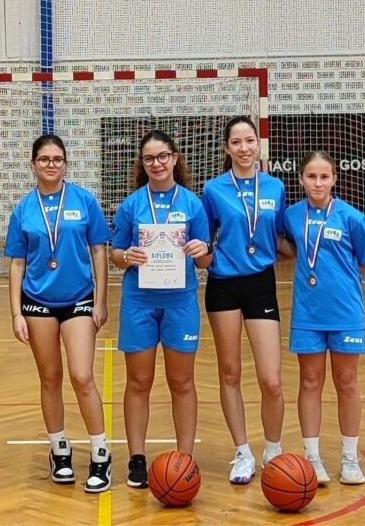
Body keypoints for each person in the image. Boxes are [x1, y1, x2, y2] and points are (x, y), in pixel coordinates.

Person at [5, 135, 112, 494]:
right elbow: (17, 263)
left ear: (66, 164)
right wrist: (16, 312)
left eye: (57, 159)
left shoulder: (84, 200)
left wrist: (100, 300)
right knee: (49, 377)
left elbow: (99, 251)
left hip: (79, 299)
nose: (51, 165)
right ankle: (60, 450)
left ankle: (100, 453)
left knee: (82, 376)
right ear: (33, 164)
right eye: (44, 159)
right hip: (37, 302)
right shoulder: (23, 208)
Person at [110, 130, 211, 488]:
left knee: (181, 381)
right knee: (139, 381)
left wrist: (202, 250)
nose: (157, 163)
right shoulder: (132, 205)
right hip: (139, 300)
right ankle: (137, 458)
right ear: (142, 163)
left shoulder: (193, 204)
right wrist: (127, 256)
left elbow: (206, 259)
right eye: (149, 158)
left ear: (174, 158)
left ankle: (185, 458)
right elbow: (115, 253)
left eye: (163, 156)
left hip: (180, 301)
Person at [200, 116, 289, 484]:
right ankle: (242, 452)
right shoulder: (213, 189)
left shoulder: (276, 187)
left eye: (249, 140)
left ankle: (274, 449)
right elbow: (204, 239)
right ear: (227, 148)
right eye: (236, 142)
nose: (244, 148)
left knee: (271, 379)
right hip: (223, 284)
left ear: (258, 144)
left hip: (260, 283)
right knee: (230, 373)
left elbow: (282, 237)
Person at [284, 151, 365, 485]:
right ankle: (312, 458)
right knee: (310, 381)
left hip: (345, 312)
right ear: (301, 180)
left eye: (324, 176)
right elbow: (285, 247)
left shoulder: (353, 218)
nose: (318, 183)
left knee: (347, 381)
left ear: (334, 179)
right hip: (307, 313)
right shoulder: (291, 215)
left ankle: (350, 458)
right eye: (311, 176)